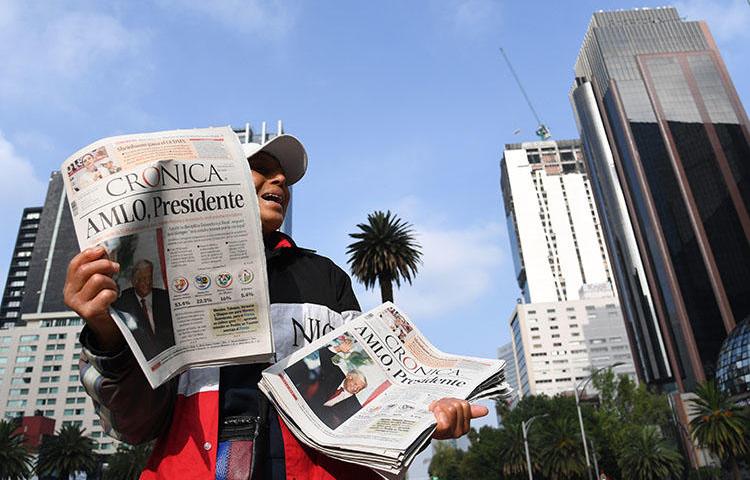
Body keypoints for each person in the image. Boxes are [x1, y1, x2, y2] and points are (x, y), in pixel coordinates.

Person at [64, 134, 488, 479]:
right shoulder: (159, 285)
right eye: (264, 169)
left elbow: (372, 387)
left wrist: (423, 412)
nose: (281, 179)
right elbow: (131, 427)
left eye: (284, 176)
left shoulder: (325, 277)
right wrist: (106, 333)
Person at [286, 342, 367, 430]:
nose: (356, 388)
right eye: (355, 384)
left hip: (316, 427)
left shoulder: (355, 406)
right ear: (349, 376)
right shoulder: (335, 374)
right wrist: (339, 348)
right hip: (295, 406)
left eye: (359, 388)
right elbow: (323, 356)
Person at [112, 259, 175, 360]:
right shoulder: (123, 302)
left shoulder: (165, 298)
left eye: (149, 278)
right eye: (142, 278)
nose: (147, 282)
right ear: (134, 281)